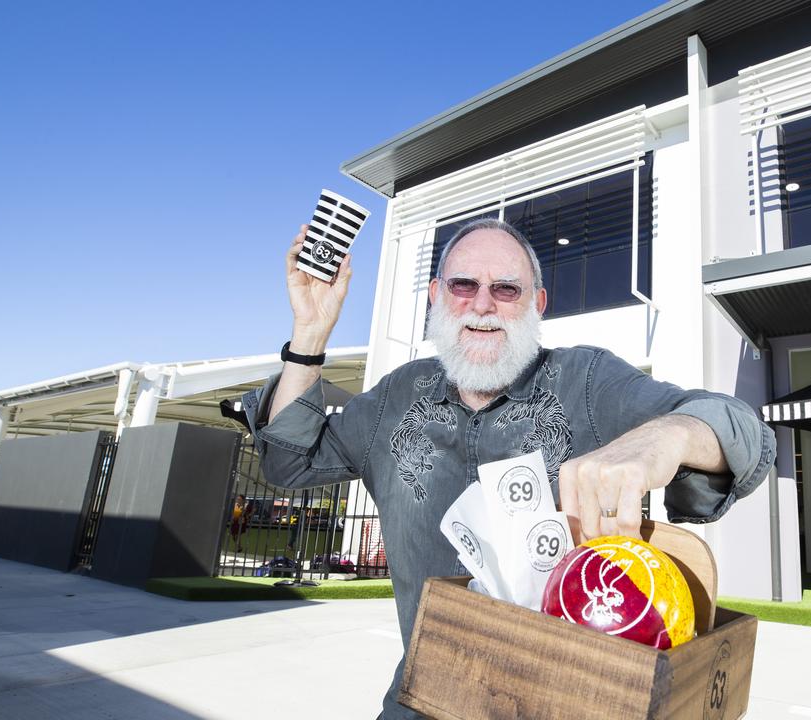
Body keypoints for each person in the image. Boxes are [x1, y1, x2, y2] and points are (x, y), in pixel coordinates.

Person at [240, 218, 776, 719]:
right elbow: (289, 461)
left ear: (536, 303)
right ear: (435, 296)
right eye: (463, 285)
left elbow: (742, 431)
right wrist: (309, 336)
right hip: (421, 700)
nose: (483, 304)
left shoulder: (586, 380)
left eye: (507, 289)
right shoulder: (395, 397)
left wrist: (667, 436)